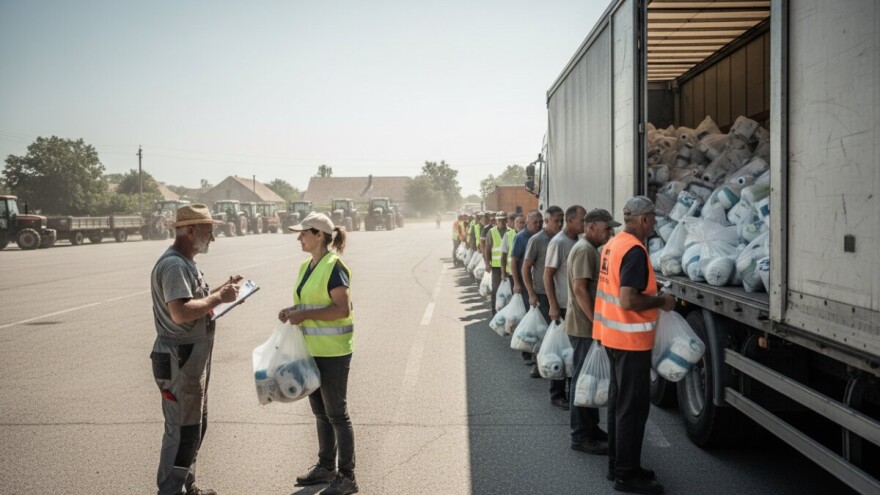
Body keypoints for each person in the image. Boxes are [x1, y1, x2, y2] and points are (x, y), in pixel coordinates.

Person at [149, 203, 243, 495]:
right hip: (180, 355)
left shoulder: (185, 261)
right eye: (208, 231)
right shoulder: (175, 264)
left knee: (194, 425)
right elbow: (181, 311)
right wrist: (218, 299)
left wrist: (220, 291)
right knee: (181, 430)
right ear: (190, 230)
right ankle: (170, 490)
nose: (212, 238)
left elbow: (193, 299)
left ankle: (187, 485)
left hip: (190, 355)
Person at [594, 196, 675, 494]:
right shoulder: (635, 250)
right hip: (630, 342)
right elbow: (628, 299)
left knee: (619, 407)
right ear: (642, 219)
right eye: (653, 217)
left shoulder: (614, 244)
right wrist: (662, 302)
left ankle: (618, 466)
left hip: (613, 338)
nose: (655, 222)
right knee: (632, 410)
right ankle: (627, 476)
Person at [278, 212, 358, 495]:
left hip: (333, 352)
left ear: (319, 235)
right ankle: (326, 467)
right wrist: (292, 310)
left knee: (337, 413)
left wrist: (306, 314)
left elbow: (341, 309)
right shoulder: (306, 266)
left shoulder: (334, 267)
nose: (299, 237)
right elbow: (308, 302)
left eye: (303, 233)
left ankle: (347, 477)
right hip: (310, 351)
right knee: (321, 412)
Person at [566, 208, 620, 456]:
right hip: (584, 327)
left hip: (586, 326)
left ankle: (592, 429)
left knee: (590, 379)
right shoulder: (585, 250)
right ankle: (581, 436)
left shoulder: (589, 249)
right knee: (582, 380)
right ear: (590, 227)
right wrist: (596, 322)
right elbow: (580, 290)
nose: (610, 232)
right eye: (606, 227)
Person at [543, 205, 586, 409]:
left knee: (571, 353)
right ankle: (557, 394)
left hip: (574, 307)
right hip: (561, 306)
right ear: (571, 221)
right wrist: (552, 305)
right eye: (582, 220)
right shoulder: (558, 242)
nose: (584, 224)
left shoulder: (577, 241)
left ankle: (572, 391)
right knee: (560, 351)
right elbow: (547, 274)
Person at [522, 205, 564, 391]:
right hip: (542, 294)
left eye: (562, 220)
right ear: (547, 222)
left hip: (559, 295)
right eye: (556, 220)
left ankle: (546, 365)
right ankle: (538, 364)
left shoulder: (562, 239)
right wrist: (531, 294)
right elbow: (525, 267)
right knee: (546, 334)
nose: (560, 224)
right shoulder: (536, 240)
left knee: (554, 336)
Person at [511, 210, 542, 365]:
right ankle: (526, 352)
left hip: (538, 285)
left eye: (540, 222)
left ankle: (538, 351)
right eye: (535, 222)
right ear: (528, 223)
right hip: (524, 285)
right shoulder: (520, 238)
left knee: (538, 319)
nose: (538, 225)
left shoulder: (542, 237)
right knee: (528, 318)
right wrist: (516, 283)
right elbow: (514, 262)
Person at [483, 211, 510, 315]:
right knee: (495, 289)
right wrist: (487, 263)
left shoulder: (510, 231)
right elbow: (487, 249)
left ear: (506, 220)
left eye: (504, 219)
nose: (502, 222)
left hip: (508, 267)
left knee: (508, 290)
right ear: (496, 221)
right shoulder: (491, 232)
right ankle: (495, 312)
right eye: (500, 220)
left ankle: (506, 311)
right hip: (496, 266)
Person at [499, 212, 521, 282]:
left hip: (525, 272)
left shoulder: (528, 235)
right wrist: (503, 272)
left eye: (523, 223)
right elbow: (503, 256)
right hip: (511, 273)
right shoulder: (508, 235)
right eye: (518, 222)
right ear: (514, 223)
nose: (521, 225)